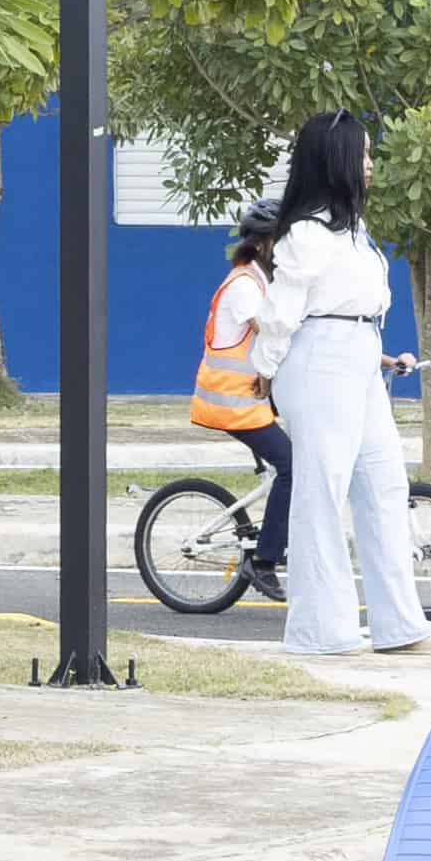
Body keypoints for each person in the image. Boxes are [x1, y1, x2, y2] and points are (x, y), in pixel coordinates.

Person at [256, 110, 431, 657]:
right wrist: (265, 367)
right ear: (336, 161)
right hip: (318, 359)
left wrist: (374, 355)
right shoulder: (306, 233)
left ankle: (399, 623)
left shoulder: (352, 231)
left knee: (384, 484)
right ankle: (321, 630)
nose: (370, 164)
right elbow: (283, 310)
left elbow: (355, 308)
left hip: (356, 354)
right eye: (363, 153)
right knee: (322, 492)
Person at [188, 202, 298, 594]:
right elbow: (277, 333)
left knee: (299, 462)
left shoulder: (262, 282)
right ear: (263, 245)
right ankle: (263, 562)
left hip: (253, 401)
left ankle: (283, 541)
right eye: (281, 241)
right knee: (292, 467)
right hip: (233, 403)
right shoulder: (244, 286)